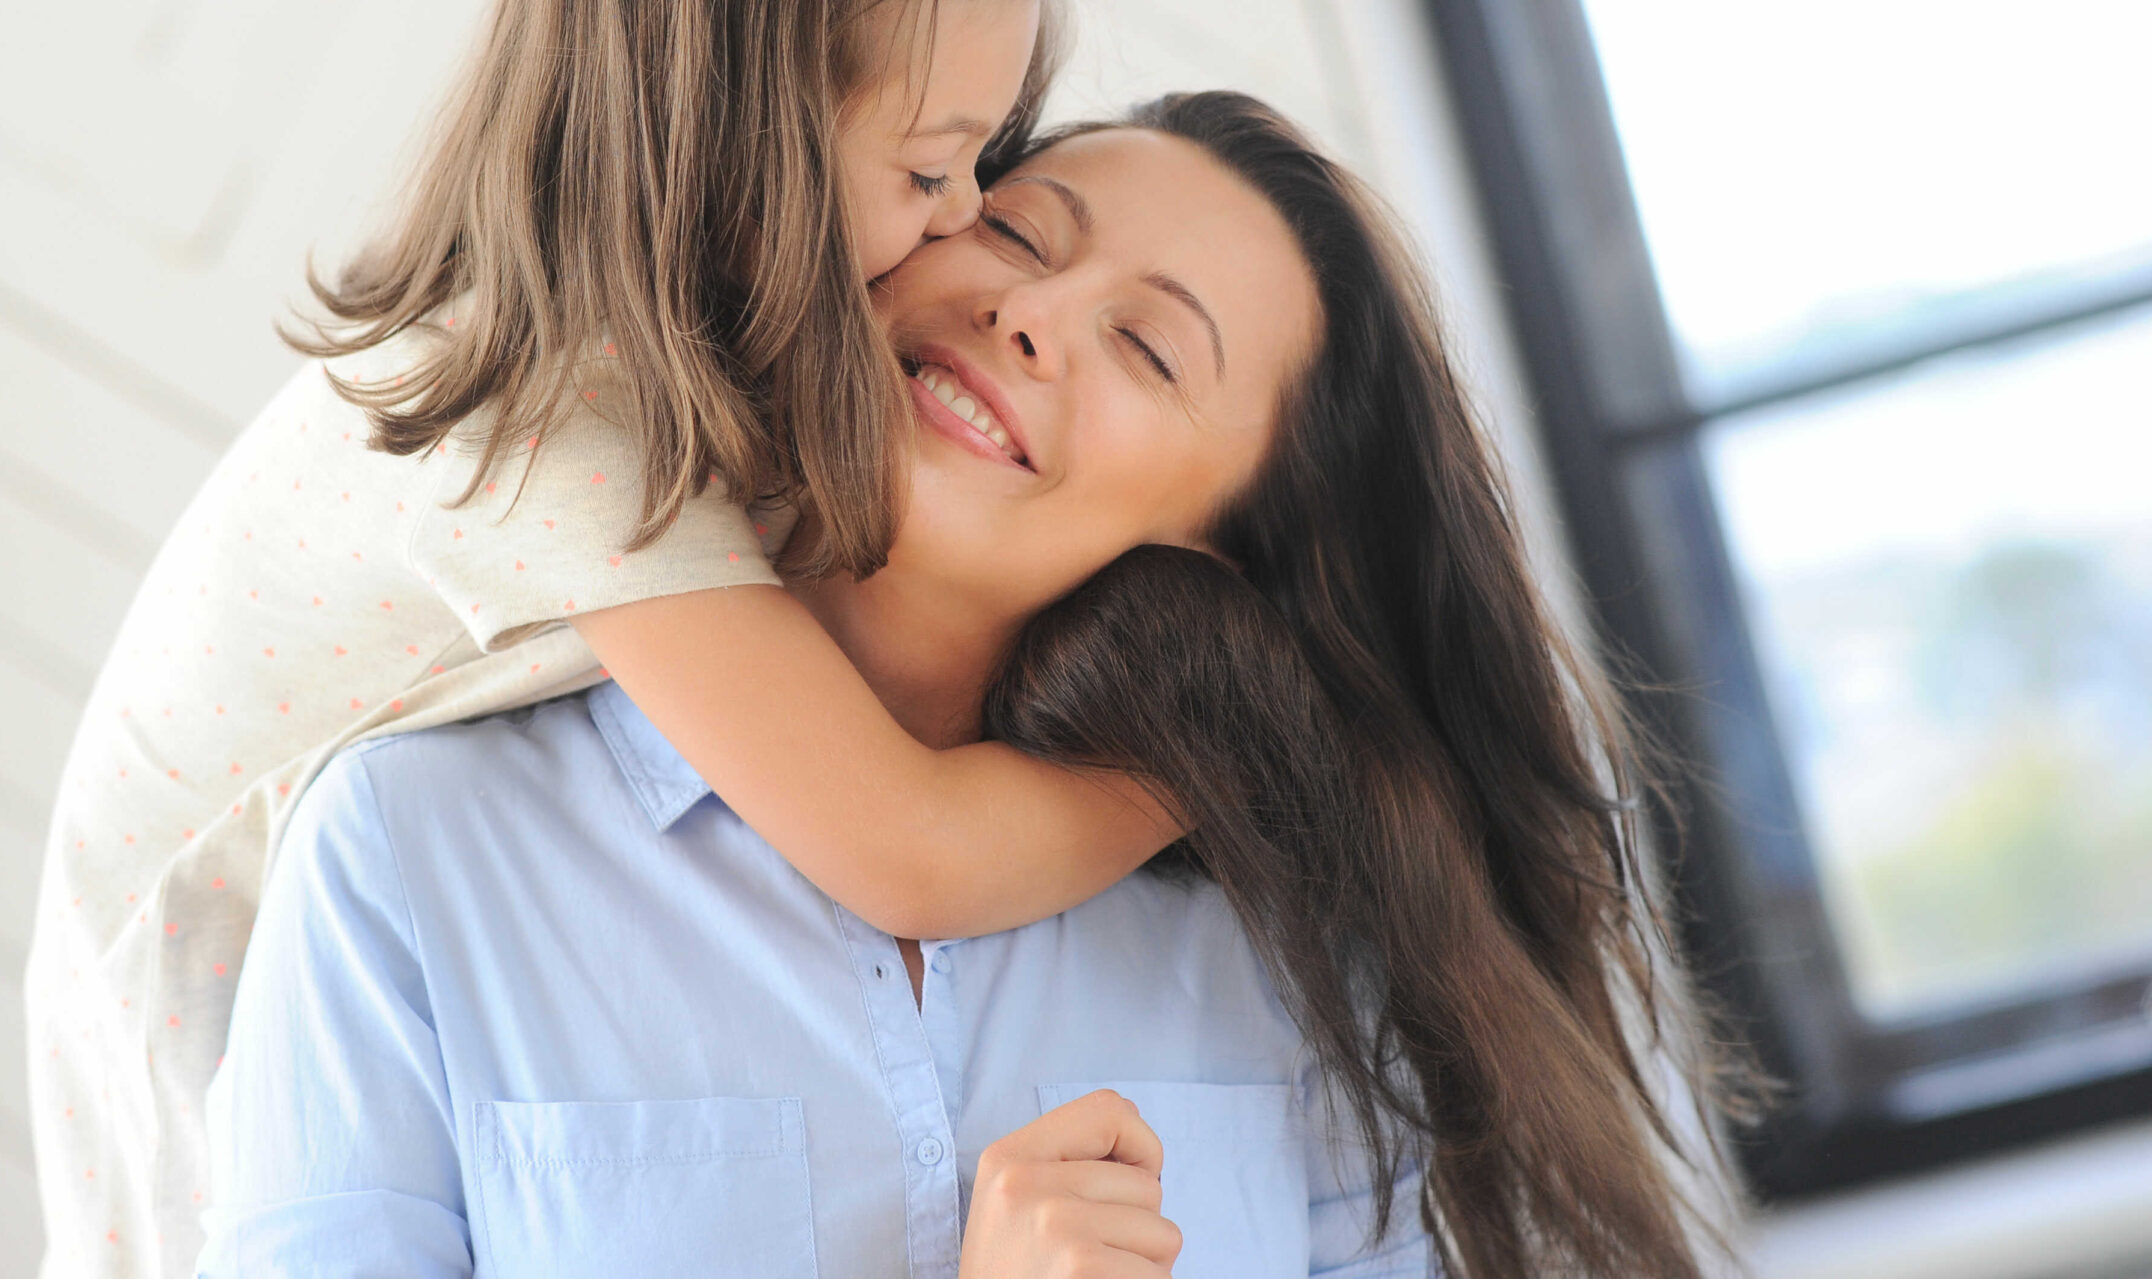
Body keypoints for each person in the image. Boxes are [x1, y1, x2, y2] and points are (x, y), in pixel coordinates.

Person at [197, 96, 1737, 1279]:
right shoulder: (412, 853)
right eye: (1019, 233)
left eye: (1146, 346)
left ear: (1232, 545)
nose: (1030, 315)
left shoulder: (1281, 958)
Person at [25, 0, 1180, 1277]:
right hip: (181, 985)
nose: (966, 217)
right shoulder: (545, 430)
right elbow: (902, 845)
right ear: (741, 141)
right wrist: (1208, 771)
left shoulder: (633, 367)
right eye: (928, 173)